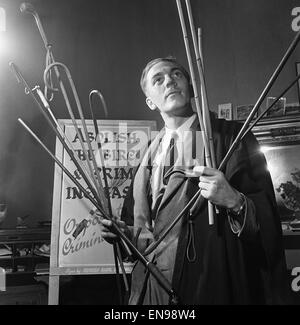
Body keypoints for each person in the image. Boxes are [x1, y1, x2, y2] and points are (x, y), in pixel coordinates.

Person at [100, 56, 290, 305]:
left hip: (205, 282)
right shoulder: (147, 155)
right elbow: (141, 230)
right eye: (158, 79)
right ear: (150, 102)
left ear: (189, 85)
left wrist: (234, 200)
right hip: (150, 284)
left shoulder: (228, 137)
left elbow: (266, 215)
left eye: (176, 74)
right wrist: (121, 233)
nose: (169, 81)